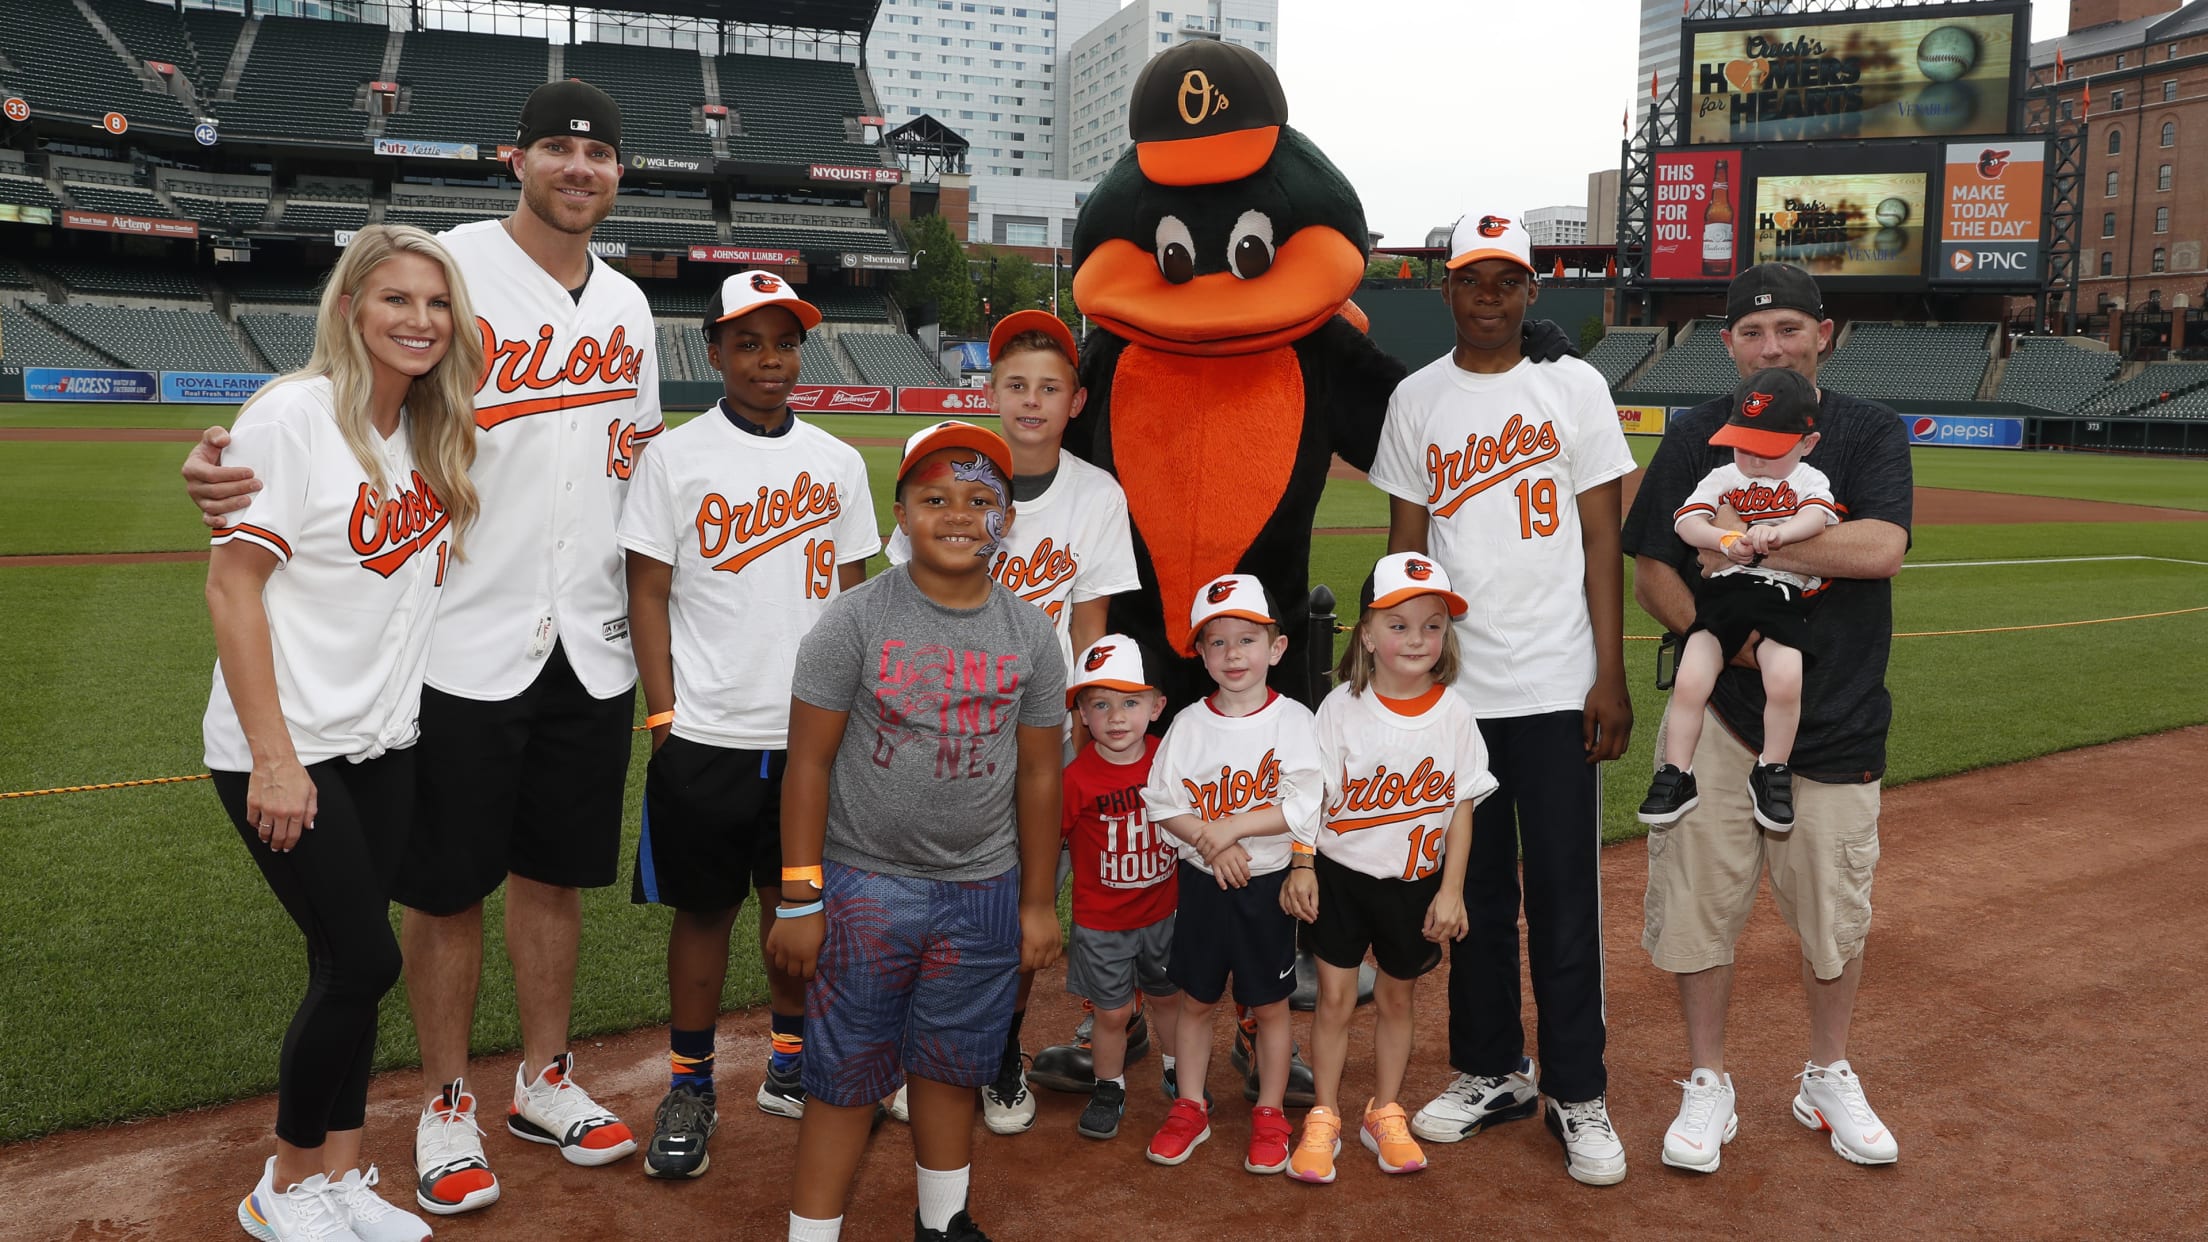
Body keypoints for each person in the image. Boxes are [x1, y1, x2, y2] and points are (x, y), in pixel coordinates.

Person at [184, 80, 661, 1213]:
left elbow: (633, 465)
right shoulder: (446, 268)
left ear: (619, 174)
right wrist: (214, 471)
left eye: (598, 153)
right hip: (459, 639)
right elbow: (333, 389)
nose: (578, 168)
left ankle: (543, 1078)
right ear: (519, 159)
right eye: (558, 148)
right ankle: (446, 1099)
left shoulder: (635, 307)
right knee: (443, 890)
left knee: (556, 877)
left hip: (587, 642)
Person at [206, 224, 482, 1242]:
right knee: (361, 962)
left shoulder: (426, 428)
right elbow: (233, 589)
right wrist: (275, 759)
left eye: (437, 303)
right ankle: (281, 1186)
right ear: (351, 309)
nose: (419, 320)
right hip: (287, 751)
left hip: (383, 745)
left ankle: (341, 1178)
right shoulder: (292, 416)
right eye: (396, 300)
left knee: (351, 967)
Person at [1365, 209, 1637, 1186]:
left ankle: (1578, 1089)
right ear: (1449, 290)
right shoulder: (1418, 399)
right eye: (1471, 279)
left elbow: (1605, 539)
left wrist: (1609, 672)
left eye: (1505, 281)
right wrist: (1401, 678)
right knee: (1469, 898)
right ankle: (1489, 1070)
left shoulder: (1574, 387)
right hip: (1457, 699)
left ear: (1532, 293)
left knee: (1565, 898)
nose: (1488, 295)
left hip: (1559, 682)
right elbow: (1405, 553)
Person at [1621, 263, 1910, 1174]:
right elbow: (1655, 566)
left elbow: (1881, 546)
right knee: (1699, 909)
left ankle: (1826, 1072)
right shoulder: (1700, 430)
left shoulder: (1866, 431)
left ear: (1825, 333)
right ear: (1728, 345)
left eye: (1789, 327)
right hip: (1721, 717)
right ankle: (1708, 1081)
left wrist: (1757, 543)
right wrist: (1732, 636)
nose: (1772, 345)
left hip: (1837, 717)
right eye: (1753, 333)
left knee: (1834, 918)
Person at [768, 420, 1067, 1242]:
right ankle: (812, 1234)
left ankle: (942, 1221)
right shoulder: (855, 620)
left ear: (1008, 517)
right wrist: (800, 896)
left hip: (981, 887)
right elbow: (808, 764)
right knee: (846, 1076)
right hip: (866, 882)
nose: (960, 514)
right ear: (899, 512)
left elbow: (1042, 774)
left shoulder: (1032, 633)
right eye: (935, 497)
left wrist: (1037, 903)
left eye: (982, 499)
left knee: (952, 1067)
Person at [616, 271, 879, 1179]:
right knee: (704, 911)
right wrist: (664, 717)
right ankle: (690, 1081)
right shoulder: (674, 459)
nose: (772, 360)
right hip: (709, 731)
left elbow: (856, 604)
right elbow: (645, 591)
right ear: (715, 351)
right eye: (751, 343)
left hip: (813, 738)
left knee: (796, 902)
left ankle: (792, 1063)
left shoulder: (838, 463)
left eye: (785, 341)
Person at [885, 310, 1142, 1127]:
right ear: (989, 391)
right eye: (1016, 384)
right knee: (928, 896)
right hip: (946, 725)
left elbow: (1088, 625)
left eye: (1050, 387)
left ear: (1077, 399)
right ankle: (916, 1052)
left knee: (1026, 900)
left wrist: (1082, 726)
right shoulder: (955, 471)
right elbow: (907, 603)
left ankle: (997, 1051)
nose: (1032, 401)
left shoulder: (1097, 494)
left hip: (1041, 735)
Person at [1282, 552, 1497, 1184]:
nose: (1417, 638)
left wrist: (1452, 890)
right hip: (1342, 879)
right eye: (1398, 624)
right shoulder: (1338, 710)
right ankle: (1324, 1113)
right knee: (1335, 1001)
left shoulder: (1454, 713)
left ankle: (1385, 1109)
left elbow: (1461, 806)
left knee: (1398, 998)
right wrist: (1302, 865)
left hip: (1415, 885)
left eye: (1432, 625)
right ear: (1367, 635)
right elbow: (1310, 795)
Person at [1139, 575, 1323, 1175]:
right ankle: (1190, 1105)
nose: (1233, 654)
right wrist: (1209, 843)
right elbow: (1162, 802)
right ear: (1201, 654)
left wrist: (1233, 829)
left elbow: (1304, 802)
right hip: (1201, 884)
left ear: (1277, 647)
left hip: (1266, 887)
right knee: (1196, 1000)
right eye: (1217, 642)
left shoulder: (1294, 720)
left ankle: (1270, 1111)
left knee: (1270, 1006)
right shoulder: (1190, 724)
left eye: (1248, 638)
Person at [1639, 367, 1839, 833]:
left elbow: (1817, 517)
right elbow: (1686, 523)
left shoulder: (1808, 478)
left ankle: (1773, 768)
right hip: (1724, 597)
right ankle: (1677, 772)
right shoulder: (1723, 475)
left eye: (1767, 450)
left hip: (1779, 596)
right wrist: (1725, 540)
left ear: (1806, 443)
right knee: (1690, 680)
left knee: (1786, 679)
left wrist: (1778, 532)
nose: (1751, 459)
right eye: (1742, 444)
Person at [1058, 636, 1177, 1140]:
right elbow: (1050, 844)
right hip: (1102, 920)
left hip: (1165, 910)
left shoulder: (1171, 757)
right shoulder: (1076, 779)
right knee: (1112, 1013)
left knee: (1171, 999)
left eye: (1130, 702)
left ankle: (1178, 1070)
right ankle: (1110, 1085)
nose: (1117, 717)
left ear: (1156, 705)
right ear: (1082, 715)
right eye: (1100, 704)